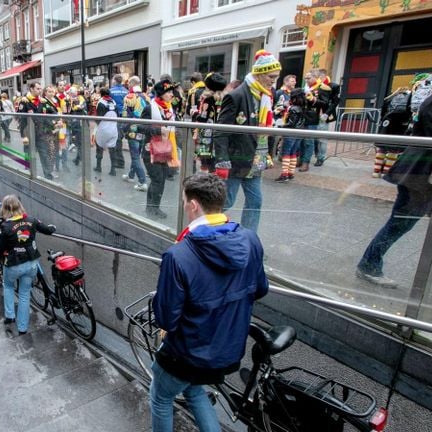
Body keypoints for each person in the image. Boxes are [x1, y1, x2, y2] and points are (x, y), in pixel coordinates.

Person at [150, 173, 268, 432]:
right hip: (226, 351)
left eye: (183, 200)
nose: (183, 205)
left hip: (186, 354)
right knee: (194, 390)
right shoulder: (250, 240)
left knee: (161, 397)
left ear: (193, 205)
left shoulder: (178, 255)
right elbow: (260, 289)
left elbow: (166, 319)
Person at [356, 79, 432, 288]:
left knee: (404, 223)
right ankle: (369, 263)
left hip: (422, 173)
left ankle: (369, 263)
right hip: (420, 176)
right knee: (400, 223)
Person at [213, 50, 282, 233]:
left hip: (256, 159)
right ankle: (204, 230)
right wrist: (222, 160)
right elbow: (220, 131)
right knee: (227, 201)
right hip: (237, 159)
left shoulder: (267, 95)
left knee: (255, 201)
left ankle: (248, 240)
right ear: (259, 74)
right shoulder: (236, 96)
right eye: (271, 76)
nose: (274, 80)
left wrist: (268, 154)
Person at [0, 195, 55, 335]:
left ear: (4, 208)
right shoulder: (31, 220)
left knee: (9, 286)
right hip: (31, 264)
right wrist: (53, 228)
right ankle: (22, 328)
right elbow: (48, 229)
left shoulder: (5, 226)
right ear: (19, 206)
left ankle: (10, 315)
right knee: (24, 295)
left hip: (13, 265)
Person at [141, 79, 179, 219]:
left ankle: (151, 207)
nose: (171, 94)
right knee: (158, 179)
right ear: (161, 93)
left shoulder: (169, 107)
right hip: (150, 150)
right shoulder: (150, 108)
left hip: (165, 148)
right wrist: (157, 131)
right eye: (168, 92)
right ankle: (153, 208)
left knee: (159, 179)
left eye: (171, 92)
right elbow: (139, 126)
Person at [275, 88, 306, 183]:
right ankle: (291, 173)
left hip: (291, 133)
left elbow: (291, 123)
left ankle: (284, 175)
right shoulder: (303, 108)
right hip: (299, 133)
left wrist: (280, 126)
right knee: (293, 153)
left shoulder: (293, 109)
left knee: (286, 153)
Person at [109, 74, 128, 172]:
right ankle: (119, 160)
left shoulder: (111, 91)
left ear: (115, 81)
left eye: (113, 79)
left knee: (116, 139)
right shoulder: (126, 91)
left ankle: (119, 161)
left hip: (114, 117)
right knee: (119, 138)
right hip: (124, 117)